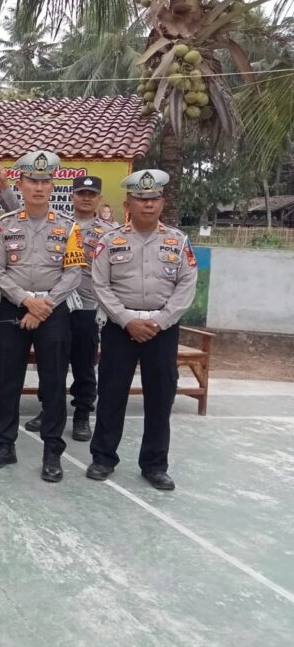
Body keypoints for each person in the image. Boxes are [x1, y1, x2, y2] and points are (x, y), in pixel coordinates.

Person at [87, 170, 197, 491]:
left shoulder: (178, 241)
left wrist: (160, 321)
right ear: (128, 204)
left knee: (160, 398)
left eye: (153, 199)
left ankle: (155, 465)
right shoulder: (110, 241)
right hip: (120, 328)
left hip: (161, 330)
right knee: (111, 394)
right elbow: (100, 285)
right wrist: (126, 320)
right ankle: (103, 458)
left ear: (162, 203)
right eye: (141, 199)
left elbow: (186, 286)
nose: (148, 204)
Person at [0, 150, 85, 482]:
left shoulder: (69, 227)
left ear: (53, 186)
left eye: (44, 181)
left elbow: (74, 272)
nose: (38, 187)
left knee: (53, 385)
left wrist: (43, 306)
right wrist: (27, 301)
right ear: (20, 184)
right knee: (7, 382)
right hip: (14, 308)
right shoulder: (4, 225)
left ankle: (52, 453)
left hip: (53, 310)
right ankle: (4, 446)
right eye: (32, 181)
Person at [24, 175, 117, 441]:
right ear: (72, 196)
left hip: (87, 305)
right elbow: (20, 213)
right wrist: (6, 189)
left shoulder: (110, 232)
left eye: (91, 194)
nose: (86, 198)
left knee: (84, 362)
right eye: (81, 193)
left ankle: (82, 413)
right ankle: (49, 409)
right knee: (50, 362)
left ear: (99, 198)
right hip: (54, 303)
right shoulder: (57, 222)